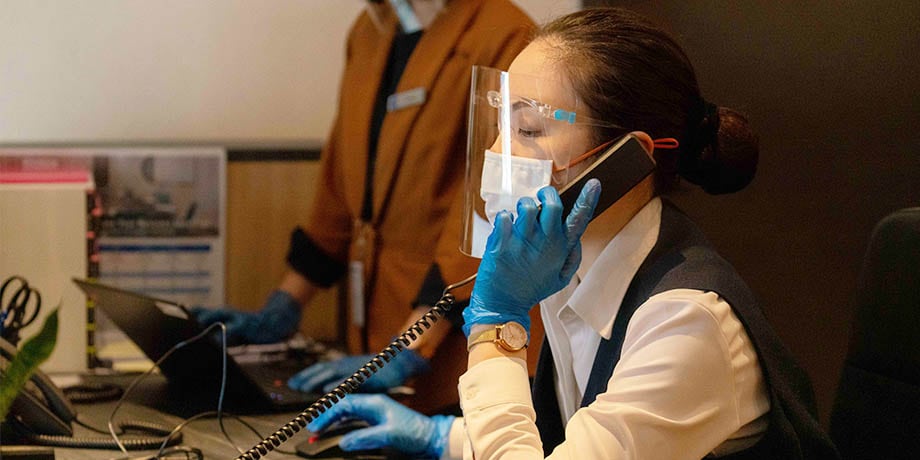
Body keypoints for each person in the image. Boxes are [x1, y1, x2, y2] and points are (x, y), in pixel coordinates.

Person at [303, 7, 840, 459]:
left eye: (529, 130)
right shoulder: (573, 264)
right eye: (500, 127)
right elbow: (573, 439)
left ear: (628, 159)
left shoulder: (685, 325)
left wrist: (499, 326)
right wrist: (441, 436)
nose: (496, 154)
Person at [192, 0, 534, 413]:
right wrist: (284, 305)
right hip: (377, 328)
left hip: (458, 349)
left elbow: (492, 210)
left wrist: (410, 347)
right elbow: (341, 183)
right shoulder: (371, 30)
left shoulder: (507, 36)